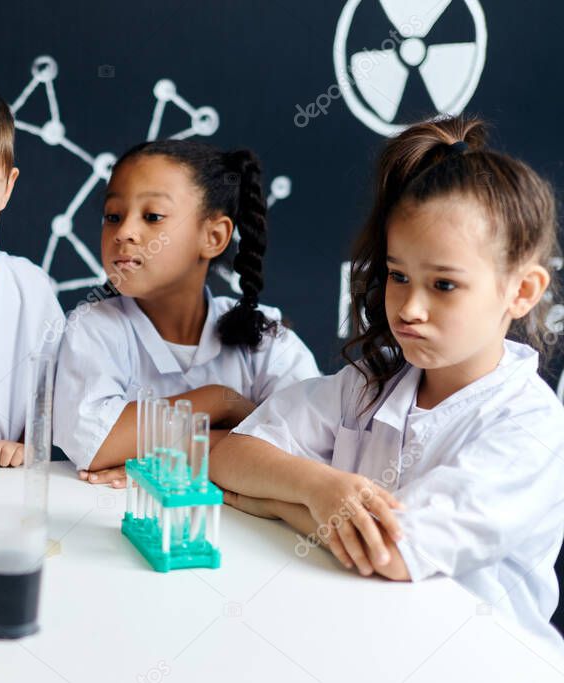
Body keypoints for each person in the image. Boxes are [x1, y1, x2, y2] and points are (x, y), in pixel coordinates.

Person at [212, 116, 564, 644]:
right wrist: (321, 487)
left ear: (522, 290)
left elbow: (392, 551)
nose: (410, 308)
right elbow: (231, 457)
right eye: (399, 276)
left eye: (444, 284)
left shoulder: (528, 427)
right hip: (369, 638)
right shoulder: (371, 381)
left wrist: (276, 502)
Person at [53, 139, 320, 486]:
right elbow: (97, 444)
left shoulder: (266, 337)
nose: (124, 233)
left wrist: (172, 456)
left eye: (152, 217)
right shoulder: (94, 327)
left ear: (213, 236)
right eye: (113, 216)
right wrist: (221, 402)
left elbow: (307, 447)